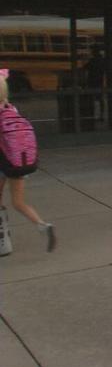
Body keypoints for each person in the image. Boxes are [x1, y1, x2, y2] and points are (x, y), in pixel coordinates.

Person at [0, 71, 55, 253]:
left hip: (2, 162)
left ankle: (3, 242)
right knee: (19, 202)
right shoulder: (11, 109)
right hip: (17, 162)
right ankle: (42, 225)